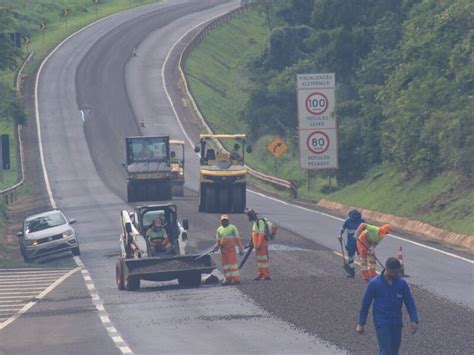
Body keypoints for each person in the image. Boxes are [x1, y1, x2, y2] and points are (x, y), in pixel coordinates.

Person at [356, 257, 419, 355]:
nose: (396, 275)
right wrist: (361, 323)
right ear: (387, 269)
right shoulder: (375, 283)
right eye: (394, 272)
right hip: (381, 322)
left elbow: (410, 302)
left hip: (396, 323)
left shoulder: (402, 284)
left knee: (394, 351)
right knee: (386, 351)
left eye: (397, 272)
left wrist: (414, 320)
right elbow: (366, 303)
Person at [215, 215, 243, 286]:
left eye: (225, 220)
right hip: (223, 251)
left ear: (228, 220)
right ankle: (228, 279)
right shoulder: (219, 229)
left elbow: (237, 238)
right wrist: (216, 246)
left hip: (231, 250)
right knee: (226, 266)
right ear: (221, 221)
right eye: (223, 220)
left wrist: (240, 248)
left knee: (232, 265)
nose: (224, 221)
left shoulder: (232, 227)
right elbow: (218, 241)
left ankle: (236, 280)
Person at [339, 209, 365, 277]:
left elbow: (366, 231)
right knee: (351, 257)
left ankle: (365, 273)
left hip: (360, 242)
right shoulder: (347, 221)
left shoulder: (362, 221)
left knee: (361, 257)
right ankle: (352, 271)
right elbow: (342, 229)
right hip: (351, 243)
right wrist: (340, 235)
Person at [247, 209, 271, 281]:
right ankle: (260, 274)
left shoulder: (260, 222)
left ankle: (266, 275)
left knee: (263, 260)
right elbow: (253, 234)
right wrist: (251, 242)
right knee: (259, 260)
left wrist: (259, 245)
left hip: (261, 245)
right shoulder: (255, 223)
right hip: (256, 245)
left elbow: (261, 234)